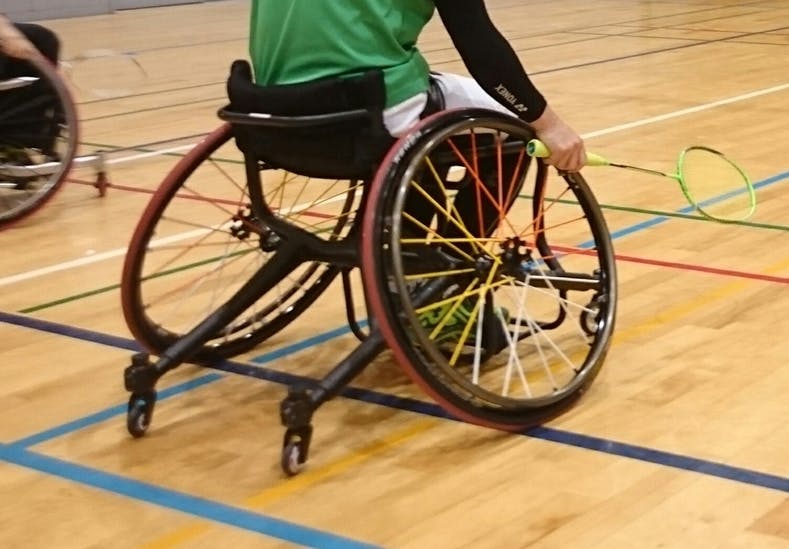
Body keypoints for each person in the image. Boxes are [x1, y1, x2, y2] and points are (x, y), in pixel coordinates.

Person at [247, 0, 587, 172]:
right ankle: (456, 267)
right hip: (365, 103)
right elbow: (481, 49)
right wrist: (549, 125)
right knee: (513, 127)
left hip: (269, 106)